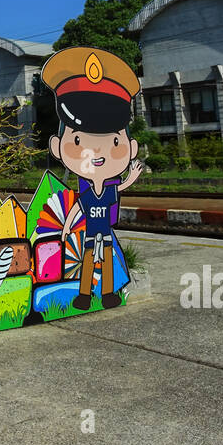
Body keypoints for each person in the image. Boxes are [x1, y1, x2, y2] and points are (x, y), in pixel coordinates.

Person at [42, 46, 145, 310]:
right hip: (90, 232)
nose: (97, 151)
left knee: (107, 258)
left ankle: (108, 293)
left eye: (113, 141)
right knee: (88, 259)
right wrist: (66, 227)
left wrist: (131, 177)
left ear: (131, 147)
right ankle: (84, 295)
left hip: (105, 231)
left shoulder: (109, 185)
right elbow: (78, 205)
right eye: (78, 140)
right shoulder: (85, 187)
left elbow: (119, 186)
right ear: (57, 146)